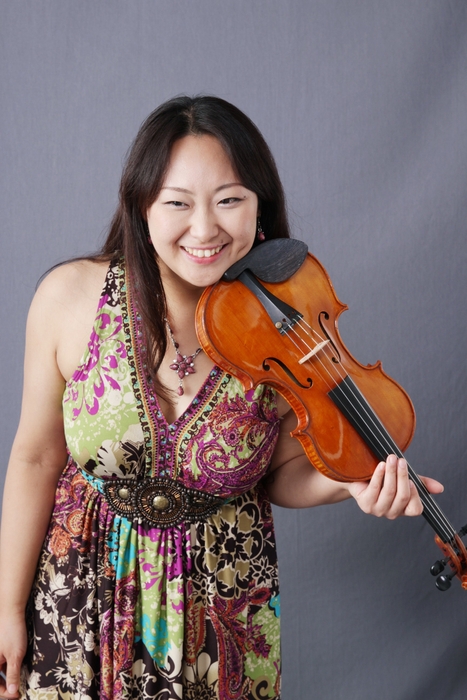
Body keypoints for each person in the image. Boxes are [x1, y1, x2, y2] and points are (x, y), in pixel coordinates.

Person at [0, 95, 443, 700]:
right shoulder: (68, 299)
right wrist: (8, 608)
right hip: (79, 598)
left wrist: (350, 481)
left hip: (223, 609)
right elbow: (35, 459)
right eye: (178, 202)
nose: (205, 228)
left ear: (260, 207)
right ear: (142, 207)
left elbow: (280, 475)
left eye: (229, 199)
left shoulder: (286, 329)